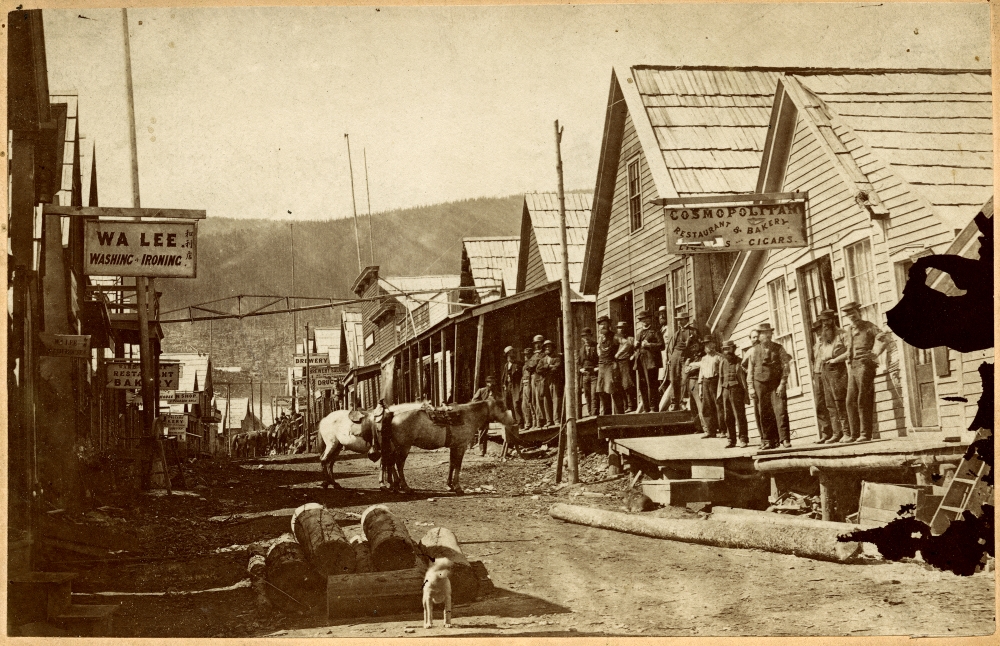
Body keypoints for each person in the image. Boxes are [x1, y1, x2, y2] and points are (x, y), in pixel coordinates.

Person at [842, 302, 888, 443]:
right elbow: (848, 350)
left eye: (853, 313)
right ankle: (854, 434)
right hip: (853, 367)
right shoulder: (849, 330)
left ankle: (865, 434)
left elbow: (883, 339)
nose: (852, 316)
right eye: (849, 315)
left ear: (859, 312)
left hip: (865, 366)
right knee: (850, 401)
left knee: (863, 399)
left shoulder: (869, 326)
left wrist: (874, 354)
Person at [747, 322, 791, 449]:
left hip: (776, 384)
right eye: (762, 333)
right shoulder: (753, 351)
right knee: (764, 412)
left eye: (767, 333)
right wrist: (750, 387)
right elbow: (750, 370)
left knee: (781, 410)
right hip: (759, 384)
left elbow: (786, 367)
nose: (765, 336)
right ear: (759, 336)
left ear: (771, 334)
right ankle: (768, 441)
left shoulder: (779, 348)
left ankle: (784, 439)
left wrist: (782, 384)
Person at [814, 309, 849, 444]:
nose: (825, 323)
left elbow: (849, 352)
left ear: (832, 320)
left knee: (840, 401)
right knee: (829, 404)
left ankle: (847, 432)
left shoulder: (842, 334)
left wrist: (835, 360)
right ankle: (836, 433)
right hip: (825, 370)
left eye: (827, 320)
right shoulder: (823, 337)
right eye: (823, 321)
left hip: (838, 369)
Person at [718, 340, 749, 448]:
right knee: (728, 416)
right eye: (725, 349)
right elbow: (721, 379)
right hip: (726, 390)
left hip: (737, 390)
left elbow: (745, 376)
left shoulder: (739, 361)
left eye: (729, 348)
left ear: (733, 349)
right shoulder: (722, 362)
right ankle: (731, 440)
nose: (726, 351)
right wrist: (720, 394)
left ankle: (743, 439)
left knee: (739, 415)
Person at [666, 311, 699, 411]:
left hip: (686, 357)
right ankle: (674, 402)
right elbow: (671, 348)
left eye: (681, 320)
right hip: (675, 356)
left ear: (686, 320)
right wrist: (671, 358)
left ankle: (683, 402)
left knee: (684, 380)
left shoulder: (693, 331)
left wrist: (691, 357)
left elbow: (698, 346)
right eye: (678, 320)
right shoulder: (677, 333)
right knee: (673, 379)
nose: (679, 322)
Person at [632, 309, 663, 412]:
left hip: (651, 362)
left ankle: (654, 407)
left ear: (650, 319)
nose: (645, 321)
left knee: (652, 384)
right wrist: (635, 346)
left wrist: (649, 345)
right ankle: (646, 408)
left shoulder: (655, 331)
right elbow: (636, 348)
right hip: (640, 361)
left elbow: (661, 345)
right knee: (642, 385)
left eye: (646, 319)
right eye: (642, 319)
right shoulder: (639, 333)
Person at [810, 319, 833, 443]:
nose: (818, 333)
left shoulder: (829, 342)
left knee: (831, 402)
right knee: (820, 404)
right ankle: (825, 432)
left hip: (828, 374)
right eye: (816, 331)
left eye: (820, 330)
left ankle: (836, 432)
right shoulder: (815, 346)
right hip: (817, 374)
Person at [696, 336, 723, 439]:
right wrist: (700, 388)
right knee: (706, 407)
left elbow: (722, 373)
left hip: (716, 381)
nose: (708, 347)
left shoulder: (719, 357)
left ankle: (722, 430)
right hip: (706, 382)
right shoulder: (703, 358)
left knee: (718, 406)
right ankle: (710, 431)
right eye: (706, 345)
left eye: (710, 344)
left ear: (714, 345)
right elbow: (701, 373)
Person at [595, 315, 621, 416]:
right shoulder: (601, 338)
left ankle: (619, 416)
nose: (602, 326)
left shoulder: (614, 336)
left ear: (608, 325)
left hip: (611, 365)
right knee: (602, 391)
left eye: (604, 324)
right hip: (602, 366)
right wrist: (599, 352)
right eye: (601, 325)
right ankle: (607, 416)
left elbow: (627, 343)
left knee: (613, 390)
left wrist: (617, 355)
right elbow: (598, 348)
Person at [471, 375, 499, 456]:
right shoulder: (481, 391)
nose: (492, 384)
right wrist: (484, 404)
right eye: (490, 383)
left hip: (493, 415)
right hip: (483, 414)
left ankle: (483, 451)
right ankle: (482, 451)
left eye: (493, 382)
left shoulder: (496, 393)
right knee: (482, 431)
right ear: (487, 383)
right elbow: (474, 401)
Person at [538, 340, 563, 426]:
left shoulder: (557, 358)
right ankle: (549, 421)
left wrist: (545, 369)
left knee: (555, 399)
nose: (547, 348)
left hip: (554, 381)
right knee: (546, 400)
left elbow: (556, 368)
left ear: (553, 348)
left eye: (549, 346)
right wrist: (548, 366)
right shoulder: (543, 359)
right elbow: (538, 369)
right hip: (545, 382)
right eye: (546, 347)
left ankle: (556, 420)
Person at [614, 321, 637, 413]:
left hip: (626, 362)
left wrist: (633, 356)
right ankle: (625, 406)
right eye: (619, 328)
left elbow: (635, 349)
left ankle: (631, 405)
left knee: (628, 384)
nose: (621, 329)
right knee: (620, 385)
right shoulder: (616, 339)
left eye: (623, 328)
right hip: (617, 363)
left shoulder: (630, 339)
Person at [500, 346, 523, 429]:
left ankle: (520, 423)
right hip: (508, 388)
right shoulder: (506, 365)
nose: (510, 356)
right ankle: (514, 422)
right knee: (509, 405)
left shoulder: (518, 364)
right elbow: (504, 378)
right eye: (509, 355)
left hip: (516, 387)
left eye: (512, 353)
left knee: (516, 404)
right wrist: (505, 385)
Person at [526, 334, 547, 426]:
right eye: (535, 343)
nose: (537, 345)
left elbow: (533, 365)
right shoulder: (534, 355)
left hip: (540, 377)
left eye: (539, 343)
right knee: (533, 400)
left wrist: (532, 363)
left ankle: (542, 420)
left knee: (540, 399)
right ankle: (538, 420)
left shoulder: (543, 354)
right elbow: (528, 366)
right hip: (533, 378)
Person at [577, 328, 598, 417]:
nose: (586, 338)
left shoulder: (596, 346)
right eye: (584, 337)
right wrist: (580, 369)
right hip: (585, 375)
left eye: (587, 336)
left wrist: (598, 367)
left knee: (594, 394)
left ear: (590, 336)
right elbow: (578, 363)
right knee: (587, 395)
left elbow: (601, 358)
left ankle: (594, 413)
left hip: (594, 374)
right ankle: (590, 413)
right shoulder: (581, 349)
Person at [520, 347, 536, 430]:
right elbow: (523, 377)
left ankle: (534, 423)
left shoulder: (531, 363)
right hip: (525, 386)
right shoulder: (524, 366)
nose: (525, 356)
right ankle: (527, 423)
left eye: (527, 354)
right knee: (524, 406)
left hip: (530, 385)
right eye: (525, 355)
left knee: (531, 404)